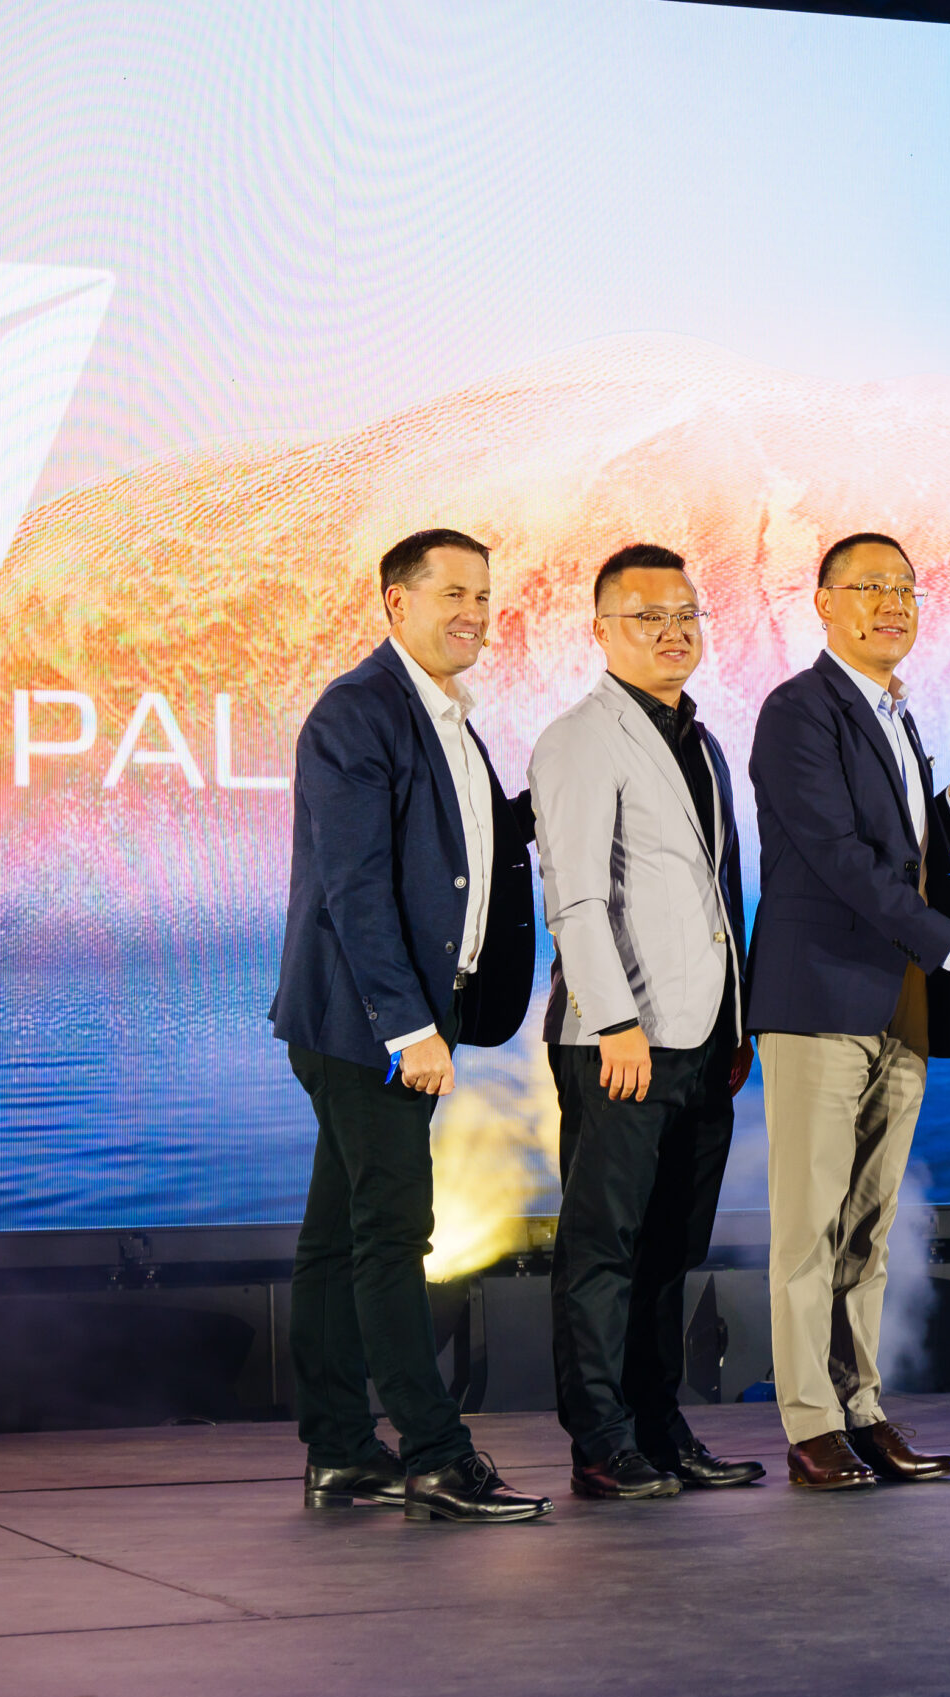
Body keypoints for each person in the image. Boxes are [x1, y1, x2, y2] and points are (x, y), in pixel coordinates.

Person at [270, 528, 553, 1522]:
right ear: (396, 603)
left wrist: (533, 813)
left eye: (484, 594)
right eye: (454, 594)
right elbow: (353, 888)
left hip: (390, 1021)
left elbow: (455, 849)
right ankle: (436, 1457)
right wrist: (407, 1029)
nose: (475, 612)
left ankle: (341, 1452)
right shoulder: (359, 712)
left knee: (338, 1238)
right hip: (363, 1025)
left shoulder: (443, 715)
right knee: (392, 1233)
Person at [746, 532, 950, 1490]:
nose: (892, 603)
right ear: (822, 601)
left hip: (898, 1003)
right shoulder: (796, 711)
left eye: (905, 587)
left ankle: (862, 1409)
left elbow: (897, 847)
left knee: (869, 1225)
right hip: (818, 1000)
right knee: (809, 1226)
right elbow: (839, 858)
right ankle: (810, 1419)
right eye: (869, 587)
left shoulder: (897, 712)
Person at [531, 544, 764, 1500]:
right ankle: (600, 1440)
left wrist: (738, 1025)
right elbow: (576, 899)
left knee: (672, 1247)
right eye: (646, 617)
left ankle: (660, 1426)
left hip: (704, 1039)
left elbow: (717, 894)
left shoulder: (699, 738)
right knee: (604, 1249)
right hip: (619, 1040)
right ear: (601, 630)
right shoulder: (580, 738)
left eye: (686, 615)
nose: (673, 632)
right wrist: (616, 1020)